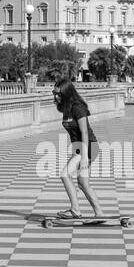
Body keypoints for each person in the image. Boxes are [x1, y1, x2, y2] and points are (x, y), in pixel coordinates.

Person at [52, 78, 104, 219]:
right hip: (79, 148)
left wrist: (85, 156)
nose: (56, 96)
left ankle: (75, 210)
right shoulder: (65, 108)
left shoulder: (77, 107)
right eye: (54, 93)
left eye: (58, 94)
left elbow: (84, 132)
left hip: (88, 146)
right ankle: (99, 213)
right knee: (82, 182)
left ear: (67, 93)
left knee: (65, 174)